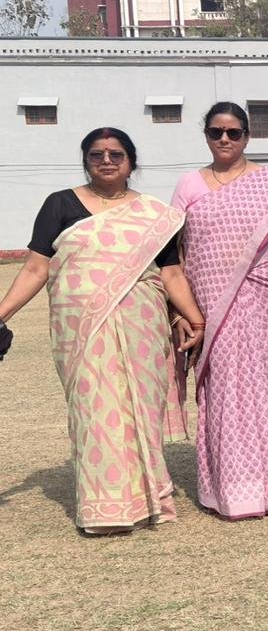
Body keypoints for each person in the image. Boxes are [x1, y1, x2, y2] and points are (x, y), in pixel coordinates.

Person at [0, 128, 204, 534]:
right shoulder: (60, 204)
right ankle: (105, 509)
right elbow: (37, 268)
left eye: (116, 154)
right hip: (81, 328)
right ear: (86, 160)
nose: (107, 161)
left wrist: (194, 317)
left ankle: (147, 501)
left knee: (140, 411)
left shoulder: (155, 215)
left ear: (131, 161)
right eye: (97, 155)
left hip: (140, 325)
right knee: (95, 412)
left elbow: (172, 272)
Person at [171, 102, 268, 520]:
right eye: (217, 132)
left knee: (264, 386)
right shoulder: (188, 185)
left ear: (246, 137)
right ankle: (229, 488)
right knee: (220, 390)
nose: (224, 139)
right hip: (209, 302)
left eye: (233, 133)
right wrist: (181, 310)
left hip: (266, 293)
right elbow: (177, 253)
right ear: (206, 135)